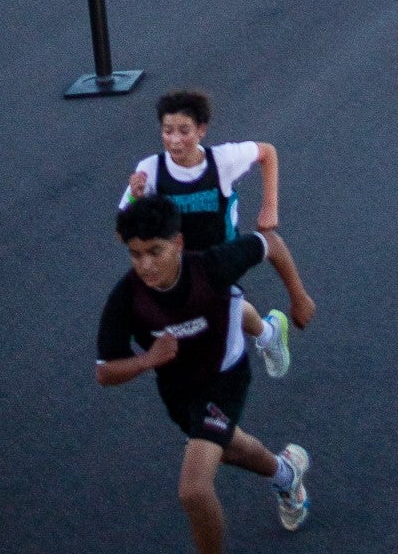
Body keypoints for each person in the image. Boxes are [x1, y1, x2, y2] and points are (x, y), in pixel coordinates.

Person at [98, 197, 316, 554]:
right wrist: (146, 361)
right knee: (232, 448)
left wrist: (299, 295)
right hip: (179, 393)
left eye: (154, 251)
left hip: (225, 377)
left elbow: (270, 243)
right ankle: (286, 473)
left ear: (178, 243)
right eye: (135, 254)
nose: (145, 265)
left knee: (194, 487)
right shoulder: (126, 298)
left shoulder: (211, 266)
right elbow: (105, 371)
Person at [122, 89, 293, 379]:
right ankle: (268, 332)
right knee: (219, 311)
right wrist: (137, 198)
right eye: (167, 131)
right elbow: (125, 226)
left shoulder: (223, 160)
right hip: (176, 263)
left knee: (214, 310)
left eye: (184, 131)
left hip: (221, 253)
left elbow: (267, 152)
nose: (174, 140)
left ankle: (227, 371)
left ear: (201, 130)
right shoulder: (149, 170)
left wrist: (269, 207)